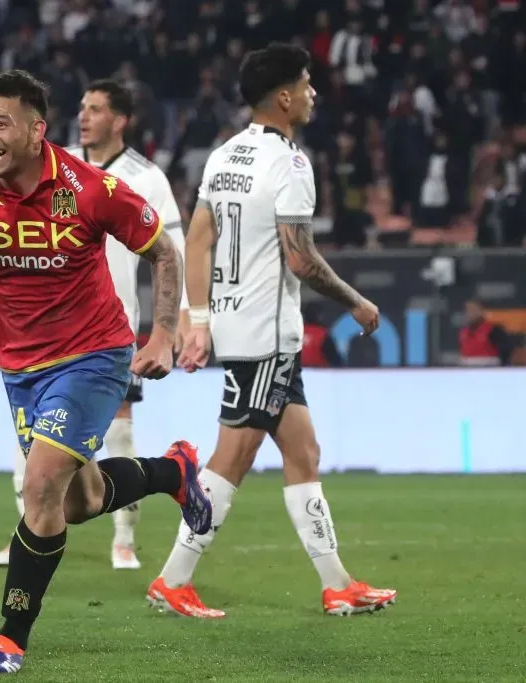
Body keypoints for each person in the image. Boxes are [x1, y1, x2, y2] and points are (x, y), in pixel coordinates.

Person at [0, 69, 212, 674]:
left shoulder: (87, 187)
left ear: (36, 129)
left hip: (94, 354)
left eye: (0, 123)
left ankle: (10, 636)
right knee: (75, 502)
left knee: (38, 485)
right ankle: (173, 471)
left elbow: (163, 249)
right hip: (20, 364)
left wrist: (163, 332)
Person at [156, 43, 397, 619]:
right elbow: (301, 259)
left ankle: (337, 583)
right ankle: (173, 578)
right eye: (308, 85)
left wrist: (200, 320)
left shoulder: (223, 156)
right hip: (267, 332)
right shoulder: (290, 164)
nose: (314, 94)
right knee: (230, 460)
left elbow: (196, 239)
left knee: (303, 451)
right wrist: (358, 301)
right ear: (284, 97)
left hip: (242, 325)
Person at [0, 79, 187, 571]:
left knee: (118, 430)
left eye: (96, 109)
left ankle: (125, 539)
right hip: (40, 332)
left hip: (107, 333)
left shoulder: (147, 177)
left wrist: (180, 322)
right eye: (81, 107)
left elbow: (171, 251)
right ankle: (28, 527)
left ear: (119, 120)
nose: (85, 116)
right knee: (33, 443)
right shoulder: (51, 163)